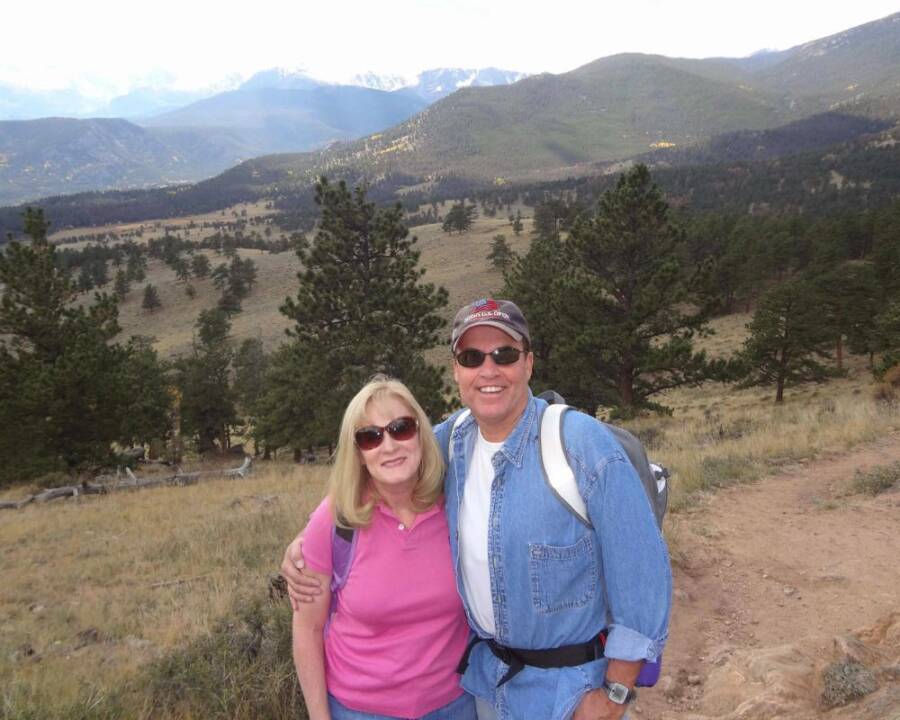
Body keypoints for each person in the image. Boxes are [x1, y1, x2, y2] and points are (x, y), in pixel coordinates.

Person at [284, 299, 672, 720]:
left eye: (503, 354)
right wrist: (307, 543)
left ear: (528, 364)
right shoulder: (449, 444)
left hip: (573, 694)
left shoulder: (580, 444)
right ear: (456, 371)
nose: (488, 370)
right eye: (471, 357)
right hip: (487, 692)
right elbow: (383, 463)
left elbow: (643, 574)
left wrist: (614, 695)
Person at [291, 375, 476, 720]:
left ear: (422, 434)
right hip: (360, 711)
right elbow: (307, 629)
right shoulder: (334, 520)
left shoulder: (456, 506)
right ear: (358, 454)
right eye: (370, 437)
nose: (388, 446)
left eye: (401, 428)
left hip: (455, 705)